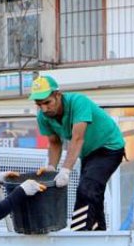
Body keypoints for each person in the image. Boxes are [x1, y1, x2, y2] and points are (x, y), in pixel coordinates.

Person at [30, 74, 125, 231]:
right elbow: (54, 143)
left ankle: (79, 233)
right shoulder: (43, 116)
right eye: (39, 104)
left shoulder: (78, 102)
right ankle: (98, 234)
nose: (44, 109)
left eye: (47, 103)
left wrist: (65, 170)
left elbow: (77, 138)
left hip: (109, 147)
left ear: (58, 95)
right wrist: (52, 168)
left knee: (86, 188)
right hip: (88, 154)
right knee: (93, 192)